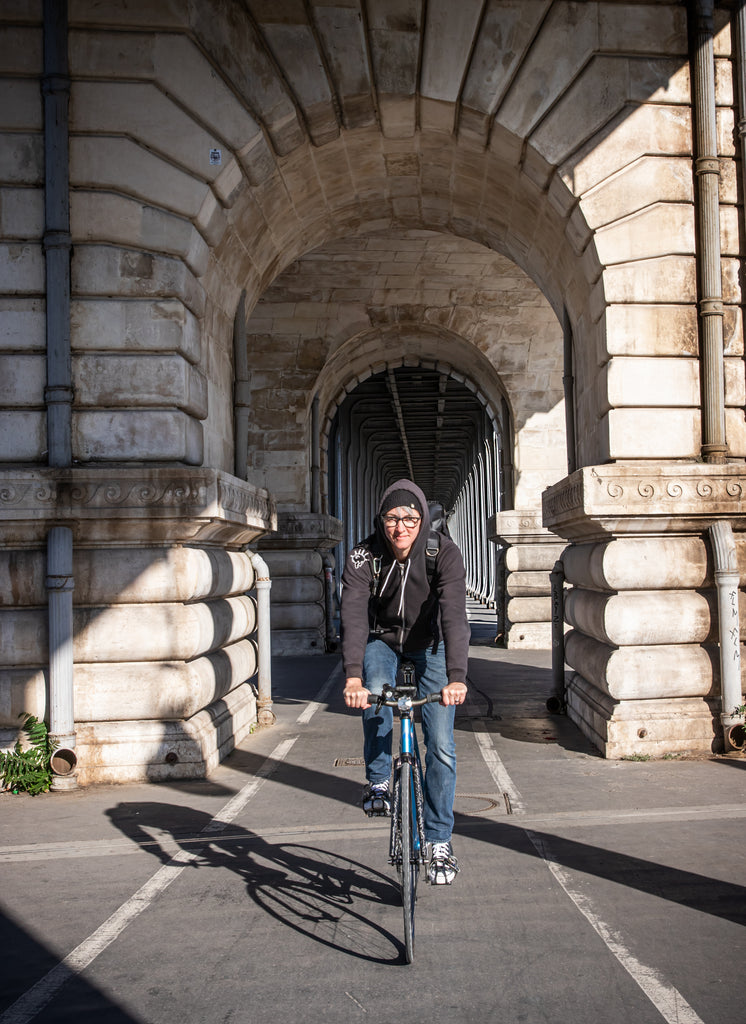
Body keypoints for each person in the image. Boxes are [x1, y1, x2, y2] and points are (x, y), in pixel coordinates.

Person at [340, 479, 469, 884]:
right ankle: (379, 779)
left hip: (429, 646)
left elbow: (454, 615)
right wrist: (353, 677)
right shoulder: (364, 556)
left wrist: (457, 678)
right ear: (381, 520)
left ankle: (439, 842)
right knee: (376, 695)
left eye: (411, 518)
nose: (401, 527)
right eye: (392, 518)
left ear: (423, 519)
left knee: (443, 746)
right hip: (382, 641)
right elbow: (355, 617)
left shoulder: (442, 552)